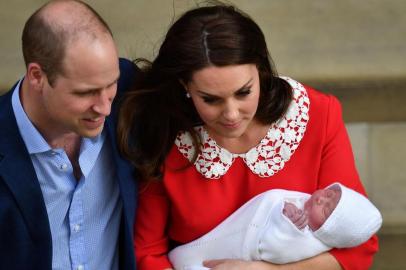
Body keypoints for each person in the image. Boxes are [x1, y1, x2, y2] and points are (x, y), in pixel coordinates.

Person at [118, 3, 379, 270]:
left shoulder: (318, 115)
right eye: (210, 99)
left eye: (243, 92)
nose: (231, 114)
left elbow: (359, 248)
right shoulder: (166, 129)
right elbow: (147, 252)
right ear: (185, 86)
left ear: (260, 70)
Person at [0, 1, 138, 269]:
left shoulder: (130, 95)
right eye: (85, 92)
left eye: (111, 84)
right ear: (37, 76)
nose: (105, 107)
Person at [168, 183, 382, 269]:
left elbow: (275, 250)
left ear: (328, 231)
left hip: (238, 252)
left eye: (326, 209)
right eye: (328, 194)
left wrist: (287, 225)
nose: (320, 200)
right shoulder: (304, 202)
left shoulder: (308, 241)